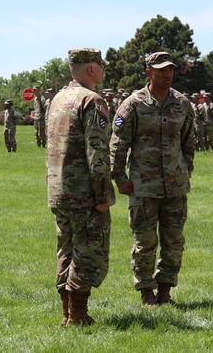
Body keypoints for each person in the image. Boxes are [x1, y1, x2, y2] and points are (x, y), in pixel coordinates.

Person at [111, 51, 195, 307]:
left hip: (175, 186)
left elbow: (189, 142)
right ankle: (146, 291)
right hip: (143, 186)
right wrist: (120, 178)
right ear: (149, 73)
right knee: (145, 242)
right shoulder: (133, 104)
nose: (167, 74)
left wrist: (184, 171)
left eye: (169, 69)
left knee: (174, 241)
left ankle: (166, 290)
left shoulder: (182, 103)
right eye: (161, 70)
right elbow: (118, 144)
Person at [46, 47, 114, 326]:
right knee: (88, 253)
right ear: (91, 69)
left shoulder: (58, 99)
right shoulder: (92, 101)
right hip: (84, 192)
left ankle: (67, 314)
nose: (103, 69)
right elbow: (97, 153)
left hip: (58, 189)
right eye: (101, 65)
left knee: (66, 250)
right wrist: (102, 193)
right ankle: (78, 316)